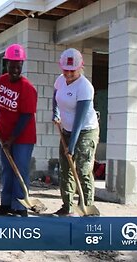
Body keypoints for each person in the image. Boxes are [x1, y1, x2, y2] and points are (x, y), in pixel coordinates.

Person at [0, 44, 37, 217]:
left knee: (20, 170)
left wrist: (12, 138)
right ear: (6, 64)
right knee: (7, 170)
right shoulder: (1, 80)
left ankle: (20, 205)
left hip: (23, 136)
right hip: (3, 133)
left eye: (19, 66)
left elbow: (26, 117)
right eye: (12, 65)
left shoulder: (27, 88)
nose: (15, 69)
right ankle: (6, 203)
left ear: (22, 65)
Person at [52, 48, 99, 216]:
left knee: (83, 169)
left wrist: (72, 145)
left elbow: (79, 119)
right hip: (66, 129)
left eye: (72, 70)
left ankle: (87, 208)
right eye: (66, 70)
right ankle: (67, 206)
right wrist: (55, 112)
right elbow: (56, 95)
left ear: (80, 67)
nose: (69, 73)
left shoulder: (85, 87)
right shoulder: (60, 80)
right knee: (65, 168)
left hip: (85, 130)